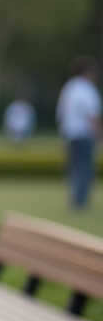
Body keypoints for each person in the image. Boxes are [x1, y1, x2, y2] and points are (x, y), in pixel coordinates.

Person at [56, 56, 102, 211]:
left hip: (70, 133)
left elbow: (61, 113)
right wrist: (99, 134)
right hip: (83, 133)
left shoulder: (69, 88)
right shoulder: (87, 89)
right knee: (85, 168)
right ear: (87, 72)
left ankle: (75, 199)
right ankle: (80, 202)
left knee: (74, 167)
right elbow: (92, 115)